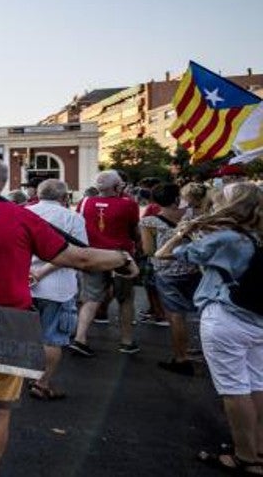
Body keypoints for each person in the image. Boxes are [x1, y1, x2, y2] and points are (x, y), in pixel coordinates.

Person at [0, 156, 140, 477]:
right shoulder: (23, 217)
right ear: (1, 184)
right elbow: (81, 258)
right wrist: (121, 258)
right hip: (10, 324)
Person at [156, 183, 263, 474]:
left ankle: (245, 456)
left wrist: (182, 232)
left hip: (227, 314)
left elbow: (165, 254)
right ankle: (256, 445)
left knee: (234, 388)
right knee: (256, 383)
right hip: (257, 316)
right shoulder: (256, 234)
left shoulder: (228, 238)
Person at [69, 170, 142, 357]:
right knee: (125, 299)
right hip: (120, 256)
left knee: (90, 298)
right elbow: (134, 231)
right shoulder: (129, 205)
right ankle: (126, 341)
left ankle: (80, 338)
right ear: (117, 186)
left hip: (93, 255)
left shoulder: (85, 202)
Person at [25, 179, 86, 400]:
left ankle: (29, 376)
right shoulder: (73, 218)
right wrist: (42, 272)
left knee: (27, 334)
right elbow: (77, 253)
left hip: (24, 283)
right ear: (64, 197)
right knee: (52, 337)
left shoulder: (24, 213)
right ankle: (42, 383)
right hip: (57, 287)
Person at [143, 182, 199, 376]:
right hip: (193, 269)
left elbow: (148, 250)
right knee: (197, 313)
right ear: (177, 198)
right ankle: (191, 350)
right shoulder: (191, 217)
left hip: (166, 273)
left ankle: (181, 357)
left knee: (175, 316)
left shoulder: (149, 221)